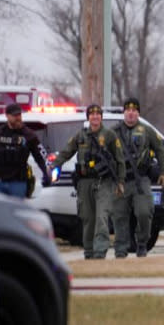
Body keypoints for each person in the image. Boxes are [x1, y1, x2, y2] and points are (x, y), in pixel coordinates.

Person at [51, 104, 126, 259]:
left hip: (103, 182)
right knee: (88, 218)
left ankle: (100, 252)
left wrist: (120, 181)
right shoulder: (80, 136)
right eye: (92, 114)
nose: (95, 117)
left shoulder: (110, 135)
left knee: (102, 217)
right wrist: (54, 165)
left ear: (101, 117)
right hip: (84, 182)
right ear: (88, 117)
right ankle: (89, 251)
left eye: (98, 114)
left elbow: (120, 160)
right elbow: (66, 152)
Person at [111, 98, 164, 258]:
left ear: (138, 113)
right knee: (119, 216)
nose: (131, 113)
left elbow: (160, 150)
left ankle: (142, 243)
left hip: (140, 180)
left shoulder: (147, 131)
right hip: (120, 181)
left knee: (144, 212)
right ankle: (121, 249)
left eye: (134, 110)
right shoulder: (113, 132)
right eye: (128, 110)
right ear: (124, 113)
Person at [0, 103, 51, 198]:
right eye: (14, 115)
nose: (18, 118)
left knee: (15, 211)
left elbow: (41, 157)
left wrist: (47, 174)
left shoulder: (29, 135)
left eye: (19, 115)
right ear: (7, 116)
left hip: (18, 183)